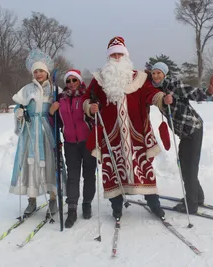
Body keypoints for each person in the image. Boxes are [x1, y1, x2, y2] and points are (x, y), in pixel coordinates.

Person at [82, 36, 173, 219]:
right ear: (109, 57)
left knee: (144, 169)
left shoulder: (139, 78)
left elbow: (151, 94)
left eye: (120, 54)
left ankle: (153, 203)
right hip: (111, 135)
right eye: (113, 54)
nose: (117, 57)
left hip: (136, 134)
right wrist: (90, 107)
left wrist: (163, 99)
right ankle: (116, 207)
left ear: (126, 56)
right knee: (113, 171)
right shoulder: (99, 79)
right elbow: (88, 99)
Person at [148, 62, 213, 214]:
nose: (156, 76)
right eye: (154, 73)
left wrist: (208, 92)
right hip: (185, 134)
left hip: (193, 129)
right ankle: (197, 196)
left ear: (165, 74)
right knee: (185, 165)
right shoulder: (155, 89)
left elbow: (190, 92)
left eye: (159, 73)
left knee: (189, 167)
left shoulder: (172, 84)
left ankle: (191, 204)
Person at [10, 49, 58, 218]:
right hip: (30, 131)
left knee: (50, 164)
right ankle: (32, 200)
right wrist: (19, 112)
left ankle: (53, 199)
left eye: (41, 71)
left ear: (47, 72)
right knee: (31, 164)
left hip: (47, 130)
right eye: (35, 71)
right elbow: (19, 106)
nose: (38, 74)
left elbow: (60, 110)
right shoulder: (27, 89)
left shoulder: (54, 89)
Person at [49, 69, 96, 228]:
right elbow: (55, 122)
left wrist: (94, 110)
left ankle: (87, 202)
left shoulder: (86, 96)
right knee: (73, 176)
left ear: (79, 81)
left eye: (74, 80)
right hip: (70, 143)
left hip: (88, 141)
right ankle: (72, 209)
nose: (71, 84)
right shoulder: (60, 98)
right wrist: (51, 112)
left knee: (89, 174)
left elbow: (95, 113)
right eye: (68, 81)